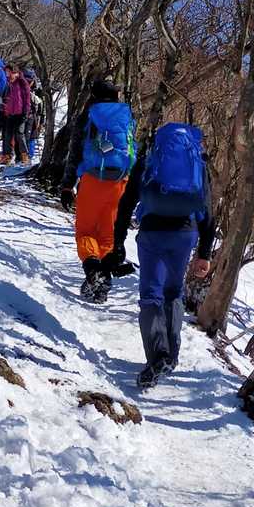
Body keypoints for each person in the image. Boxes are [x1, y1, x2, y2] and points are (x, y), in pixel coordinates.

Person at [111, 122, 216, 390]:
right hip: (185, 234)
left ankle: (158, 355)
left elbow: (127, 202)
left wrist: (118, 240)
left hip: (153, 232)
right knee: (173, 291)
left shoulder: (149, 159)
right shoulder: (198, 164)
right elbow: (207, 210)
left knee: (151, 294)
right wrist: (204, 253)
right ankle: (171, 354)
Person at [59, 78, 136, 302]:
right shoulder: (127, 116)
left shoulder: (88, 116)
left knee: (85, 232)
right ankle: (101, 282)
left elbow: (75, 154)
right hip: (119, 182)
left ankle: (94, 272)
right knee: (106, 234)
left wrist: (67, 186)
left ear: (93, 95)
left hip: (92, 181)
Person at [0, 63, 33, 164]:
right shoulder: (7, 83)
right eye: (6, 72)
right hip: (10, 113)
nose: (8, 74)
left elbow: (27, 98)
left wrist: (26, 111)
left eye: (9, 72)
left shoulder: (22, 82)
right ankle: (7, 156)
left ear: (15, 72)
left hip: (21, 113)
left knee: (19, 133)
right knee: (7, 135)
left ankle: (24, 155)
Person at [23, 67, 43, 158]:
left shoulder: (38, 91)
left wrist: (41, 120)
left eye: (29, 80)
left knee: (32, 136)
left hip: (34, 116)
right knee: (23, 135)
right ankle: (24, 155)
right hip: (23, 115)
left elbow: (41, 105)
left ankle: (30, 155)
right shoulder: (20, 88)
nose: (27, 82)